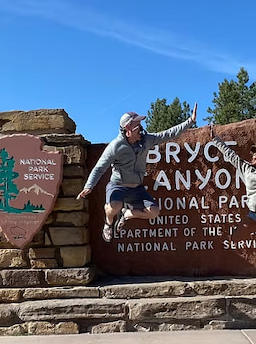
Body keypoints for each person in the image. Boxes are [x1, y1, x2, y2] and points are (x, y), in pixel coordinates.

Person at [78, 103, 198, 242]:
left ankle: (128, 214)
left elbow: (168, 134)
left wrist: (190, 121)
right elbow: (100, 167)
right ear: (128, 129)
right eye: (137, 125)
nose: (141, 128)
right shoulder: (116, 147)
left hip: (137, 188)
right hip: (118, 186)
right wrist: (89, 186)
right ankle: (108, 223)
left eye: (140, 124)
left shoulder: (146, 140)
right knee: (114, 206)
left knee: (154, 212)